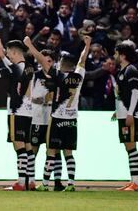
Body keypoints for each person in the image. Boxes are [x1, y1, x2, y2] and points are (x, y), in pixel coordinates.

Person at [24, 35, 92, 192]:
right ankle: (71, 184)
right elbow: (82, 60)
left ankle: (45, 184)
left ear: (62, 64)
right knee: (68, 153)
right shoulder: (79, 75)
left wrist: (30, 45)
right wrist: (87, 45)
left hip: (56, 119)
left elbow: (42, 60)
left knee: (51, 152)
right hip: (72, 119)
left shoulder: (58, 75)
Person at [0, 39, 36, 191]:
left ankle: (21, 183)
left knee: (19, 147)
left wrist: (0, 51)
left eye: (9, 52)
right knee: (28, 147)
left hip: (17, 112)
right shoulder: (31, 67)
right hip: (29, 112)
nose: (8, 55)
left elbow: (11, 67)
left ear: (15, 52)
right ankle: (31, 180)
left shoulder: (19, 67)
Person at [30, 49, 65, 191]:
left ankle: (57, 181)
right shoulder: (35, 76)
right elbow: (29, 96)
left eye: (49, 60)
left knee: (55, 151)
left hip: (53, 119)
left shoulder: (58, 76)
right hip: (37, 118)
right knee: (33, 150)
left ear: (54, 62)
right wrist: (42, 99)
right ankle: (30, 180)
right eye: (44, 60)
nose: (47, 63)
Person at [113, 43, 138, 191]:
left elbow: (135, 92)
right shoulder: (122, 71)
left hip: (131, 114)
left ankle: (136, 183)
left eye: (116, 53)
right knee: (129, 147)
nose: (114, 56)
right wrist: (117, 111)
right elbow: (123, 95)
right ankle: (133, 181)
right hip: (124, 113)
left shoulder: (131, 70)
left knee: (131, 147)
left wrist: (130, 113)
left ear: (122, 55)